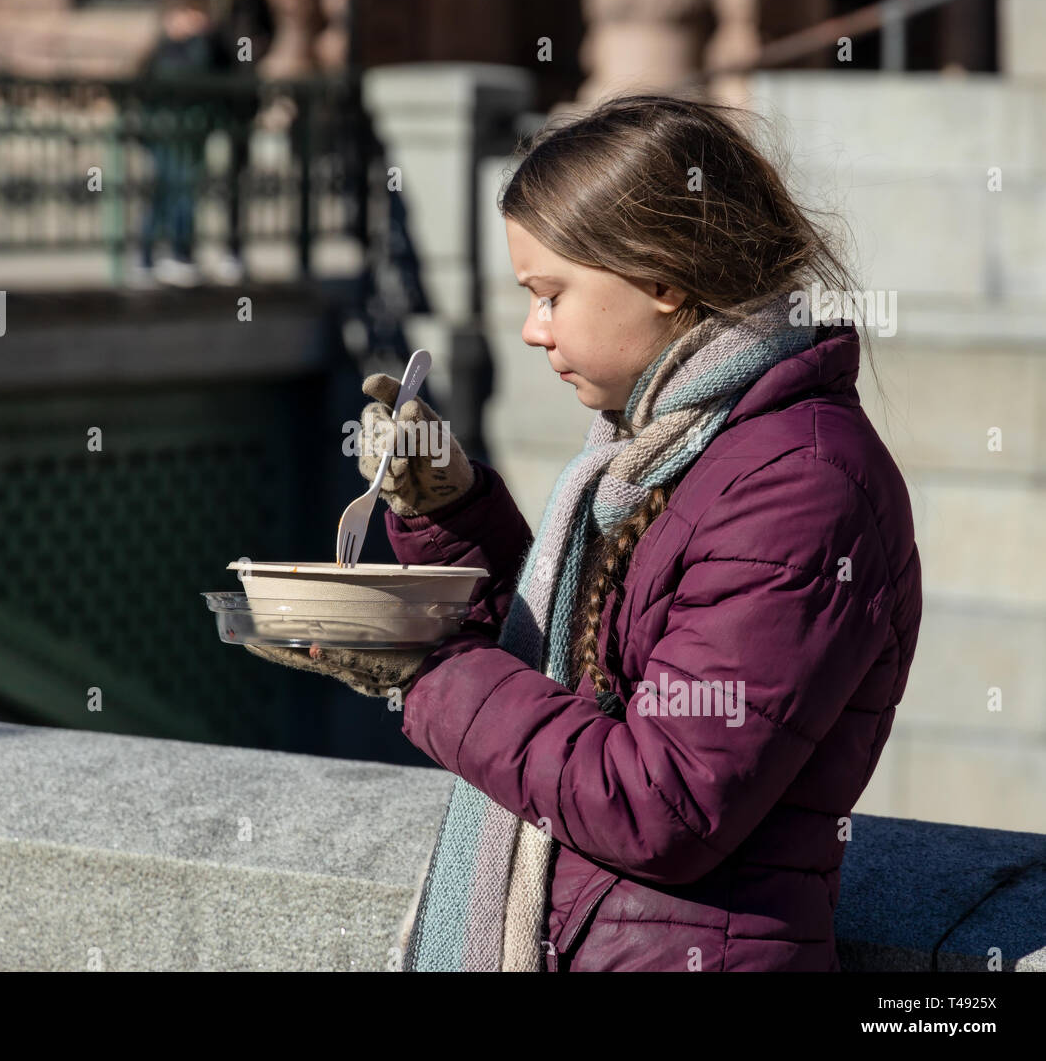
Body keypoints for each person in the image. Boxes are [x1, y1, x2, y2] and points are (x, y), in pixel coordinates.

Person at [245, 94, 923, 972]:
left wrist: (423, 668)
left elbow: (659, 800)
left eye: (549, 294)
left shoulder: (799, 485)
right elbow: (565, 671)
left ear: (662, 277)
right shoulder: (666, 446)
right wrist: (451, 516)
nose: (533, 331)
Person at [132, 0, 230, 288]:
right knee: (171, 193)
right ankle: (166, 255)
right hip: (167, 133)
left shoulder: (199, 46)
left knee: (178, 192)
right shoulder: (166, 50)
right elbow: (175, 80)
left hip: (189, 132)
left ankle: (167, 255)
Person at [200, 0, 277, 285]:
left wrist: (253, 55)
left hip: (240, 93)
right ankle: (184, 250)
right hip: (204, 91)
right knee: (193, 170)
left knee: (236, 173)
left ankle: (233, 247)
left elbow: (269, 28)